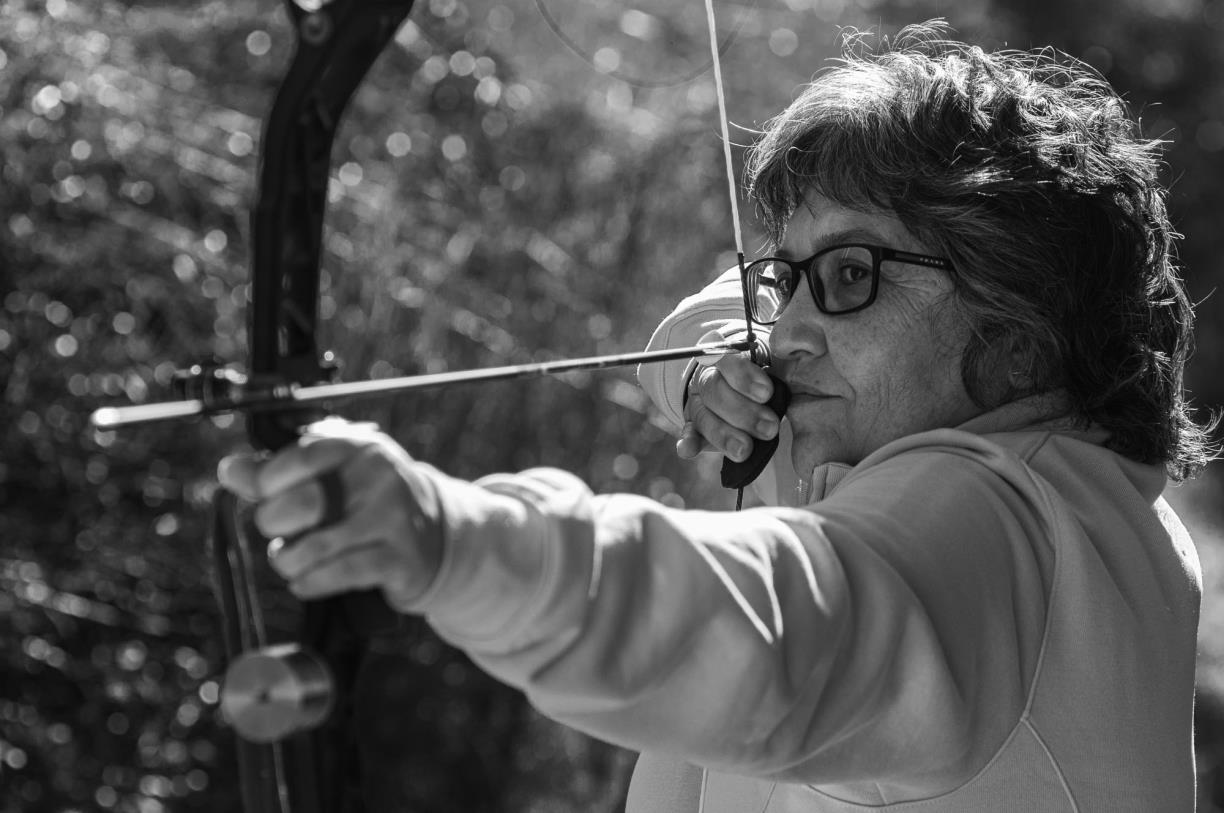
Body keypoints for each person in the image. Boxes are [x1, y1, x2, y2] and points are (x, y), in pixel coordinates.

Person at [218, 22, 1213, 811]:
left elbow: (777, 631)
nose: (786, 335)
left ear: (1021, 320)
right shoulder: (1060, 491)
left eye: (852, 276)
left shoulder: (983, 518)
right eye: (787, 281)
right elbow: (719, 318)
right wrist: (706, 365)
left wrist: (446, 538)